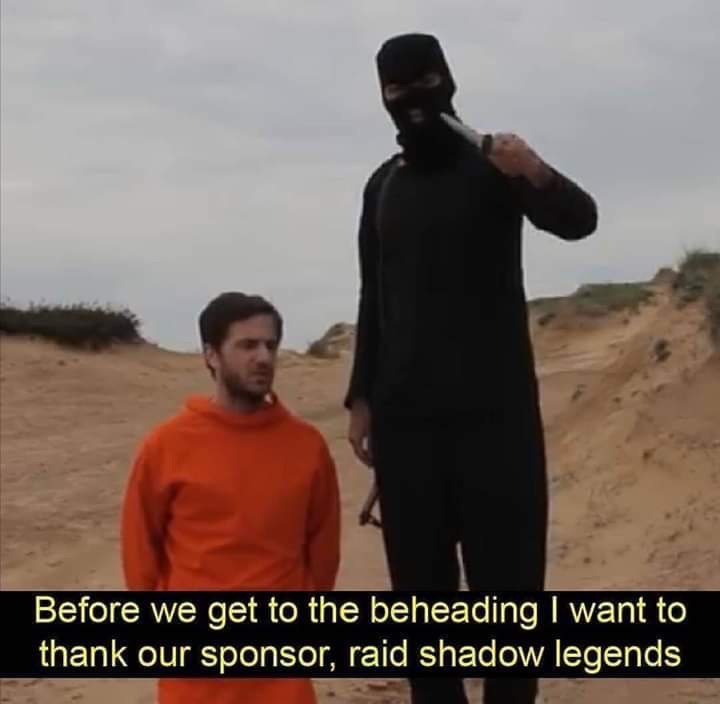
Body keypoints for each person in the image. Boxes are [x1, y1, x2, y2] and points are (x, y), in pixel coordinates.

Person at [345, 33, 598, 704]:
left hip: (497, 420)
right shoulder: (382, 185)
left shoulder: (495, 165)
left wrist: (534, 169)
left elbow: (580, 221)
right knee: (421, 603)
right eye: (396, 91)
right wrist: (361, 397)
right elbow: (373, 295)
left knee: (509, 596)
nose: (412, 101)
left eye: (424, 84)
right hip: (406, 425)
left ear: (448, 81)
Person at [121, 292, 341, 704]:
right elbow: (140, 551)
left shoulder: (307, 446)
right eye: (247, 345)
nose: (263, 357)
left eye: (270, 345)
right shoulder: (166, 446)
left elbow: (323, 551)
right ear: (211, 355)